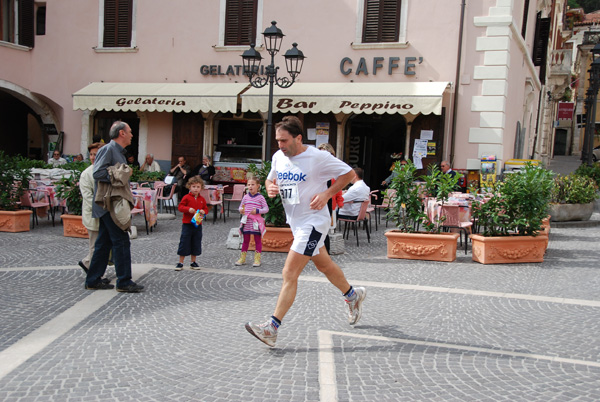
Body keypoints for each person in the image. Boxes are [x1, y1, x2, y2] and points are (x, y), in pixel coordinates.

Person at [245, 116, 366, 348]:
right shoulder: (279, 157)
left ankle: (272, 328)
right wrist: (270, 187)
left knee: (289, 273)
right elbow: (271, 179)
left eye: (284, 140)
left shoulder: (317, 157)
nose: (280, 145)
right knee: (324, 265)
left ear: (298, 138)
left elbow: (349, 174)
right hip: (296, 223)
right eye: (277, 141)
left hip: (313, 223)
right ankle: (352, 295)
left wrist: (326, 194)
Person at [85, 121, 144, 293]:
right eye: (130, 131)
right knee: (121, 241)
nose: (132, 134)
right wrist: (118, 174)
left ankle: (93, 279)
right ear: (122, 133)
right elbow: (97, 173)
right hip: (109, 204)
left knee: (104, 243)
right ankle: (124, 281)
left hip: (109, 204)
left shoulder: (118, 152)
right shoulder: (108, 149)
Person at [78, 142, 109, 278]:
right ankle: (92, 273)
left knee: (101, 245)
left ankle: (89, 266)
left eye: (95, 154)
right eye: (91, 154)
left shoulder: (105, 170)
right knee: (94, 245)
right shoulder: (87, 174)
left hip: (104, 215)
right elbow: (88, 197)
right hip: (94, 215)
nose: (92, 157)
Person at [175, 175, 208, 271]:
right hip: (187, 224)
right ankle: (180, 262)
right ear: (189, 187)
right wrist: (187, 209)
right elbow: (180, 207)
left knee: (196, 242)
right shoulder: (186, 197)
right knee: (184, 242)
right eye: (194, 187)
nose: (196, 189)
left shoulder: (202, 199)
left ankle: (193, 262)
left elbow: (206, 208)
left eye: (198, 187)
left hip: (197, 224)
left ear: (201, 188)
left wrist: (203, 211)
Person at [317, 143, 344, 254]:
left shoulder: (334, 168)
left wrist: (339, 202)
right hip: (316, 201)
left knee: (324, 229)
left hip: (328, 202)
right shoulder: (316, 167)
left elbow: (338, 188)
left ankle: (325, 252)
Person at [235, 176, 268, 267]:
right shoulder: (245, 197)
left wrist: (257, 211)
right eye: (249, 184)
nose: (250, 186)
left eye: (252, 184)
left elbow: (266, 209)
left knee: (257, 240)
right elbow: (241, 206)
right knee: (246, 240)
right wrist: (241, 210)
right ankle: (242, 258)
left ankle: (257, 259)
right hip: (247, 222)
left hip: (256, 222)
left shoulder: (261, 198)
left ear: (258, 186)